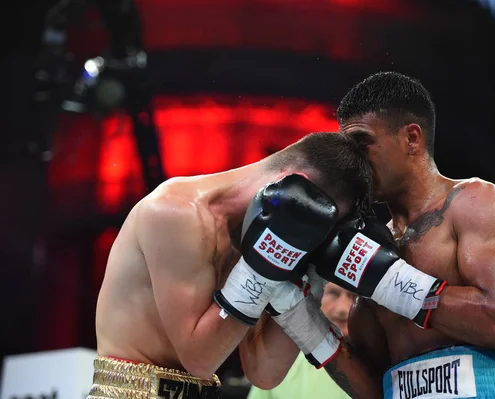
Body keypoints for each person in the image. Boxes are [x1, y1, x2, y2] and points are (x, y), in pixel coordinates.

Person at [87, 132, 373, 399]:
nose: (312, 233)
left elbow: (265, 372)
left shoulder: (259, 240)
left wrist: (313, 274)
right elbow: (199, 358)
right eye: (314, 218)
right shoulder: (174, 213)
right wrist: (263, 269)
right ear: (293, 186)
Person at [305, 71, 495, 398]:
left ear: (412, 138)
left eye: (362, 144)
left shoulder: (473, 202)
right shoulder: (370, 250)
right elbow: (373, 385)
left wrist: (387, 281)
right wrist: (302, 320)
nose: (351, 163)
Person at [246, 282, 357, 399]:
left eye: (354, 297)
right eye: (333, 293)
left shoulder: (375, 369)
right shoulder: (282, 363)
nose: (342, 308)